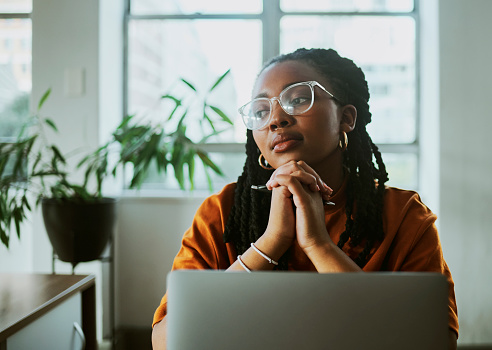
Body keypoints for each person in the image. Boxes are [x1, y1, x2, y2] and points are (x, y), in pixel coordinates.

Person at [152, 48, 458, 350]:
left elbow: (436, 342)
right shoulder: (221, 213)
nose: (275, 120)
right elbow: (165, 341)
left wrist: (317, 243)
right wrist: (270, 243)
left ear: (346, 118)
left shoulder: (405, 216)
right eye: (261, 111)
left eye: (298, 99)